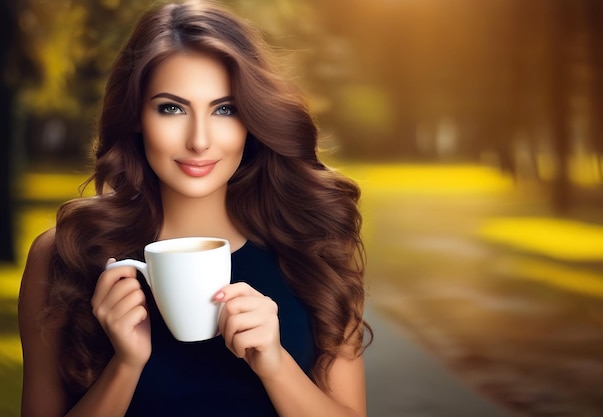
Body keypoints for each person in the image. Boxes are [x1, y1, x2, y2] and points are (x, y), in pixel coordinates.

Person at [18, 1, 372, 416]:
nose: (200, 140)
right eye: (172, 108)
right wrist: (126, 365)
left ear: (250, 118)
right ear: (135, 115)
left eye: (225, 108)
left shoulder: (313, 248)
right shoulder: (65, 257)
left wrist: (275, 366)